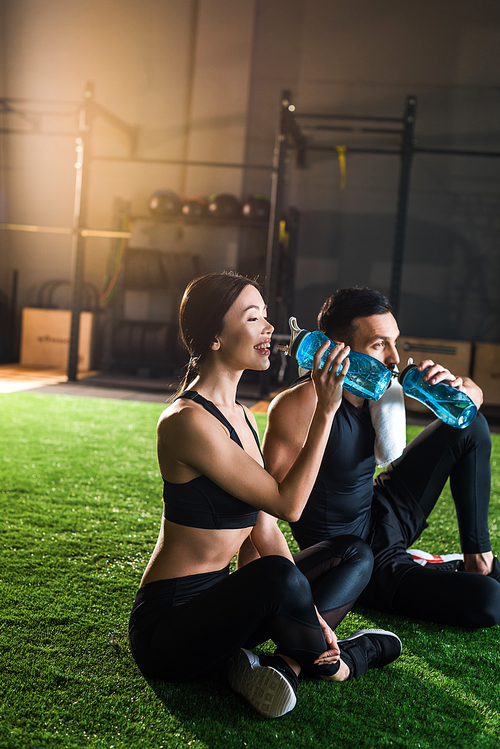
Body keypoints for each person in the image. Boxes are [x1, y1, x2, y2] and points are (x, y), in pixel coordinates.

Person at [128, 273, 401, 720]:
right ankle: (346, 663)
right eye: (252, 318)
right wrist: (326, 410)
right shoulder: (186, 421)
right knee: (279, 575)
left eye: (267, 317)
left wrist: (308, 613)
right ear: (215, 337)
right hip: (170, 631)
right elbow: (288, 504)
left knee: (352, 553)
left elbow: (266, 526)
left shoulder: (241, 417)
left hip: (224, 610)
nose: (268, 329)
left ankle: (289, 661)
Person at [263, 286, 500, 629]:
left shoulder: (380, 388)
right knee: (488, 600)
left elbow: (468, 416)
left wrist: (461, 392)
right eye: (379, 344)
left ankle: (477, 559)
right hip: (359, 559)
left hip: (383, 510)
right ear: (338, 349)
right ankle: (431, 566)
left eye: (394, 342)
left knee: (472, 425)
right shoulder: (299, 405)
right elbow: (272, 509)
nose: (394, 358)